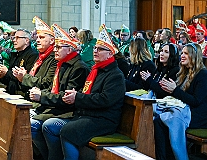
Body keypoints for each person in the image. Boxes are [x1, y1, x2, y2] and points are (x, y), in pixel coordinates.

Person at [56, 24, 125, 160]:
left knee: (67, 131)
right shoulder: (96, 70)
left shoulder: (115, 75)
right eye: (95, 48)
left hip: (104, 119)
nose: (95, 51)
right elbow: (86, 92)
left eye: (100, 49)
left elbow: (105, 100)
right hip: (89, 114)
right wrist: (74, 95)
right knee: (52, 127)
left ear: (110, 54)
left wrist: (78, 98)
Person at [28, 24, 89, 160]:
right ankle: (47, 156)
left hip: (68, 111)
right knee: (27, 119)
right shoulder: (62, 64)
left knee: (40, 125)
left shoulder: (78, 68)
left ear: (70, 49)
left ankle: (53, 156)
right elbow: (54, 89)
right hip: (55, 107)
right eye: (55, 47)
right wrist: (41, 93)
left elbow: (66, 97)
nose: (55, 50)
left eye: (58, 47)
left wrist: (42, 96)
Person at [154, 43, 207, 160]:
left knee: (170, 119)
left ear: (194, 56)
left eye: (186, 53)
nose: (182, 56)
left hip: (199, 116)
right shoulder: (184, 73)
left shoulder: (203, 75)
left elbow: (196, 101)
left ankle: (180, 157)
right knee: (158, 120)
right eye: (182, 53)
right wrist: (171, 91)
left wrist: (174, 90)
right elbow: (180, 97)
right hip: (185, 111)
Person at [12, 16, 57, 100]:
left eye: (42, 37)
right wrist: (21, 76)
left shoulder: (54, 59)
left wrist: (25, 77)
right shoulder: (40, 57)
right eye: (37, 37)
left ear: (51, 40)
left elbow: (46, 83)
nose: (37, 40)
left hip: (42, 101)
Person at [0, 28, 39, 95]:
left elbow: (26, 79)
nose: (14, 40)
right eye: (14, 38)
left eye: (17, 38)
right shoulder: (15, 54)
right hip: (11, 92)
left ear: (26, 40)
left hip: (23, 94)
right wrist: (2, 76)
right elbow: (9, 80)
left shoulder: (33, 55)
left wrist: (7, 72)